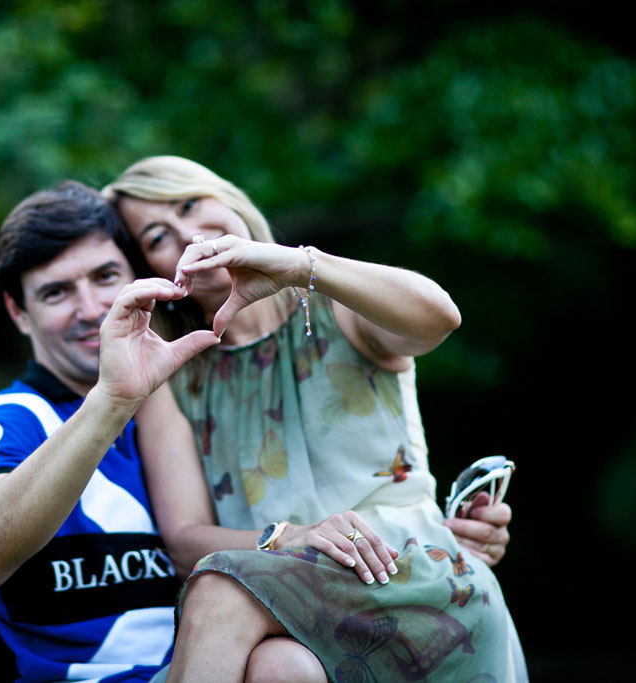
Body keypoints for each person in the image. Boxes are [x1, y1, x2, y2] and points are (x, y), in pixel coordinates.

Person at [102, 156, 527, 682]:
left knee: (218, 590)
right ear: (154, 269)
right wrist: (287, 537)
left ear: (229, 199)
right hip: (283, 610)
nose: (191, 234)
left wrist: (300, 265)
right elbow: (184, 540)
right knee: (279, 668)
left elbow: (440, 318)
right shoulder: (176, 374)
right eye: (158, 237)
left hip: (409, 576)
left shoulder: (334, 307)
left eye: (190, 204)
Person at [0, 181, 220, 682]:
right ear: (18, 313)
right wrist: (111, 401)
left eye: (105, 276)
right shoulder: (13, 419)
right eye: (56, 292)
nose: (91, 309)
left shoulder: (176, 407)